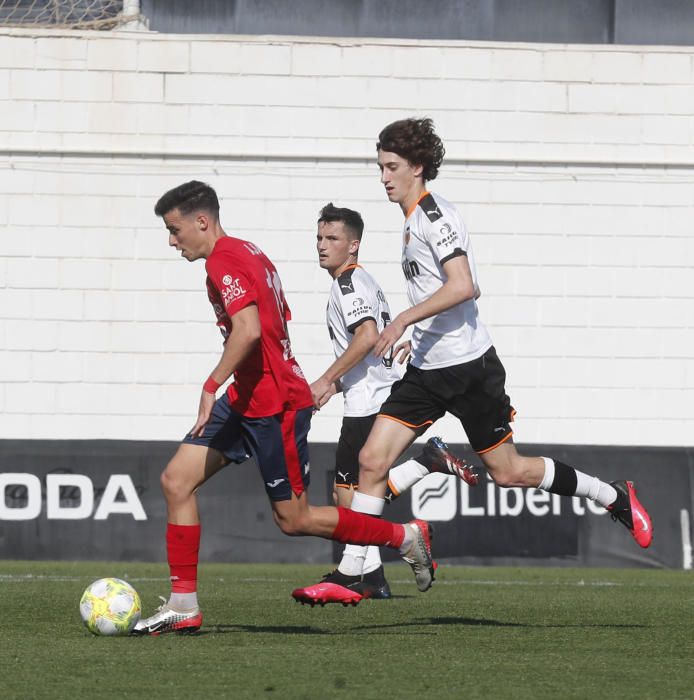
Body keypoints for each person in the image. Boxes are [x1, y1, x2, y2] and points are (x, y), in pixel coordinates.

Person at [296, 118, 653, 596]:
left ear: (417, 167)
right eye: (380, 166)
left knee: (509, 471)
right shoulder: (410, 222)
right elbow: (438, 297)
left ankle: (613, 496)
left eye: (392, 166)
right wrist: (416, 334)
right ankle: (350, 573)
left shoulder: (434, 215)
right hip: (427, 370)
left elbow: (465, 286)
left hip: (468, 369)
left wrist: (403, 320)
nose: (383, 176)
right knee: (371, 459)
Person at [133, 181, 435, 635]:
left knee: (294, 520)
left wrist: (211, 384)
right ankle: (183, 605)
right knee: (176, 480)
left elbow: (249, 330)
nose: (172, 241)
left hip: (274, 403)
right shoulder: (247, 250)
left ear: (202, 221)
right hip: (249, 394)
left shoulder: (224, 259)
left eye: (175, 230)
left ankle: (406, 537)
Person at [291, 203, 479, 606]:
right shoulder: (359, 281)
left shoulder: (349, 285)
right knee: (355, 497)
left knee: (350, 499)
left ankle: (370, 569)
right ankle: (373, 578)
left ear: (353, 245)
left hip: (369, 404)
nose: (322, 246)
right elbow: (372, 349)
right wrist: (337, 384)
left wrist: (324, 379)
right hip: (371, 395)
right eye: (319, 239)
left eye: (333, 239)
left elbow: (366, 336)